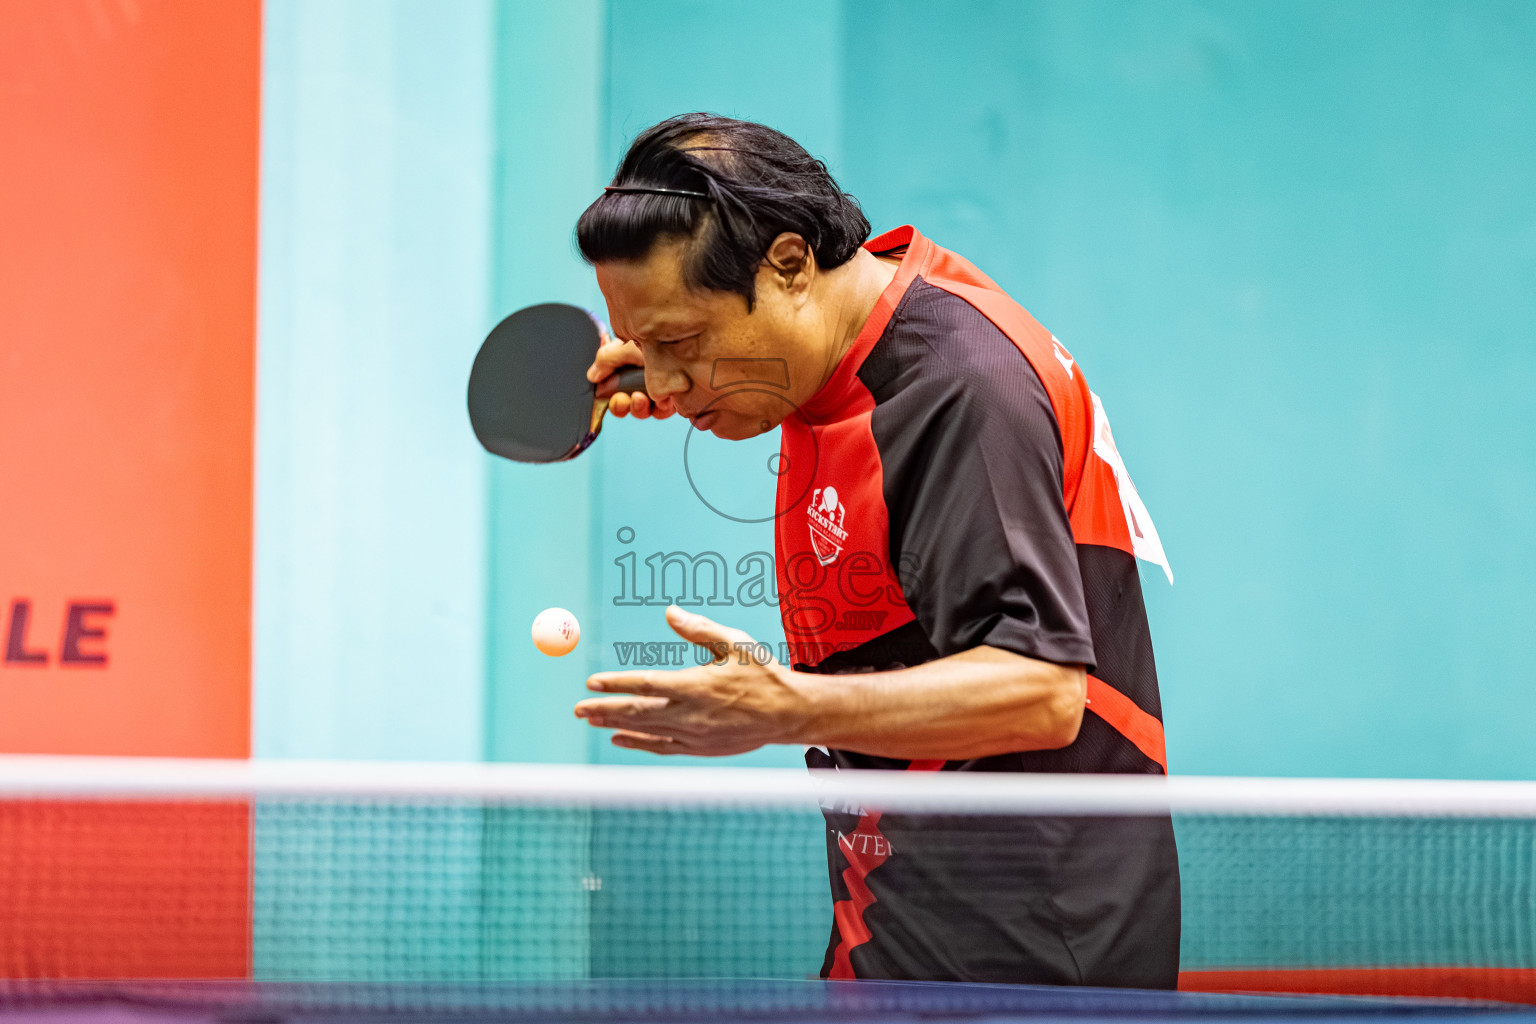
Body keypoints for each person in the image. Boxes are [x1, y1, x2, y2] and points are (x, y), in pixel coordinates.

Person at [571, 113, 1179, 988]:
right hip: (893, 928)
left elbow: (1041, 692)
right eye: (645, 343)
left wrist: (786, 709)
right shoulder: (831, 346)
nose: (660, 376)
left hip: (1028, 961)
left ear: (788, 264)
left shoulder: (960, 391)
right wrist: (673, 368)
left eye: (680, 341)